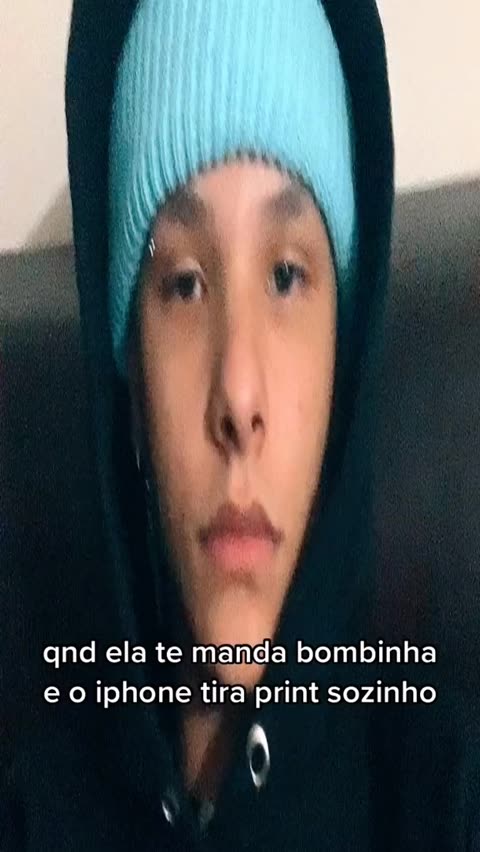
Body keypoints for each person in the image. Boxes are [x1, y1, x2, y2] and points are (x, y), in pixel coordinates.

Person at [3, 1, 479, 850]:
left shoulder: (441, 785)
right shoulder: (31, 793)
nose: (238, 396)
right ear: (130, 381)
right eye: (184, 284)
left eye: (287, 276)